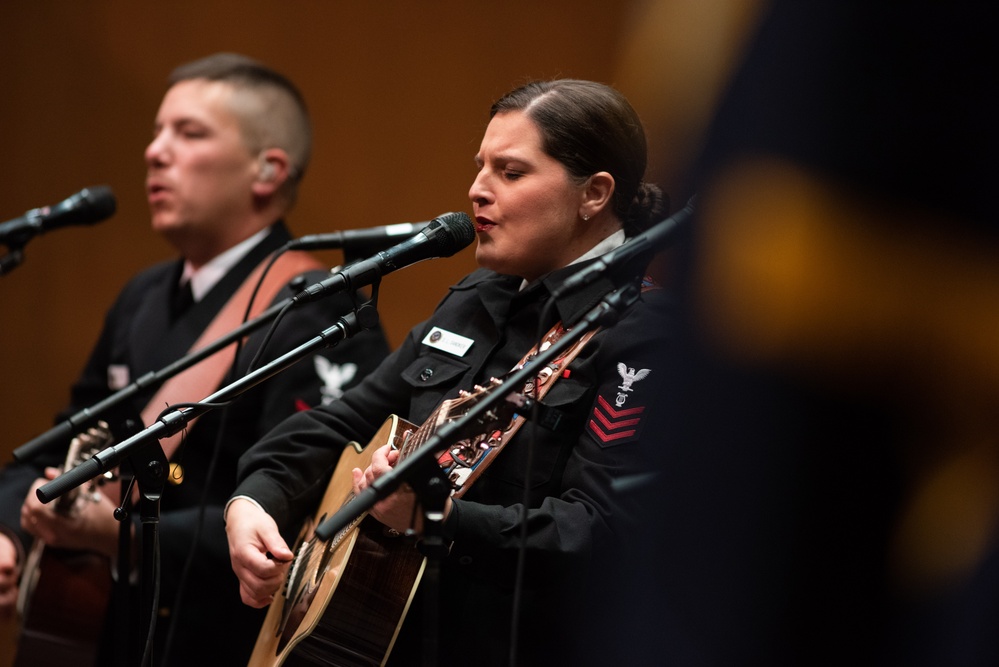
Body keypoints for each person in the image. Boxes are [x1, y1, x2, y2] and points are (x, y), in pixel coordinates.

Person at [225, 79, 673, 666]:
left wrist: (438, 516)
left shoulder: (645, 332)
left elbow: (600, 533)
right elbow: (344, 423)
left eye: (510, 173)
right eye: (480, 167)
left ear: (594, 193)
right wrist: (254, 501)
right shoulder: (476, 298)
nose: (477, 190)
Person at [0, 53, 391, 667]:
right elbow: (66, 435)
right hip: (97, 625)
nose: (156, 151)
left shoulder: (319, 309)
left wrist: (115, 532)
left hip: (208, 638)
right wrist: (8, 529)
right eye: (157, 132)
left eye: (190, 133)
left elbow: (311, 515)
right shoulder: (144, 295)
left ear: (268, 171)